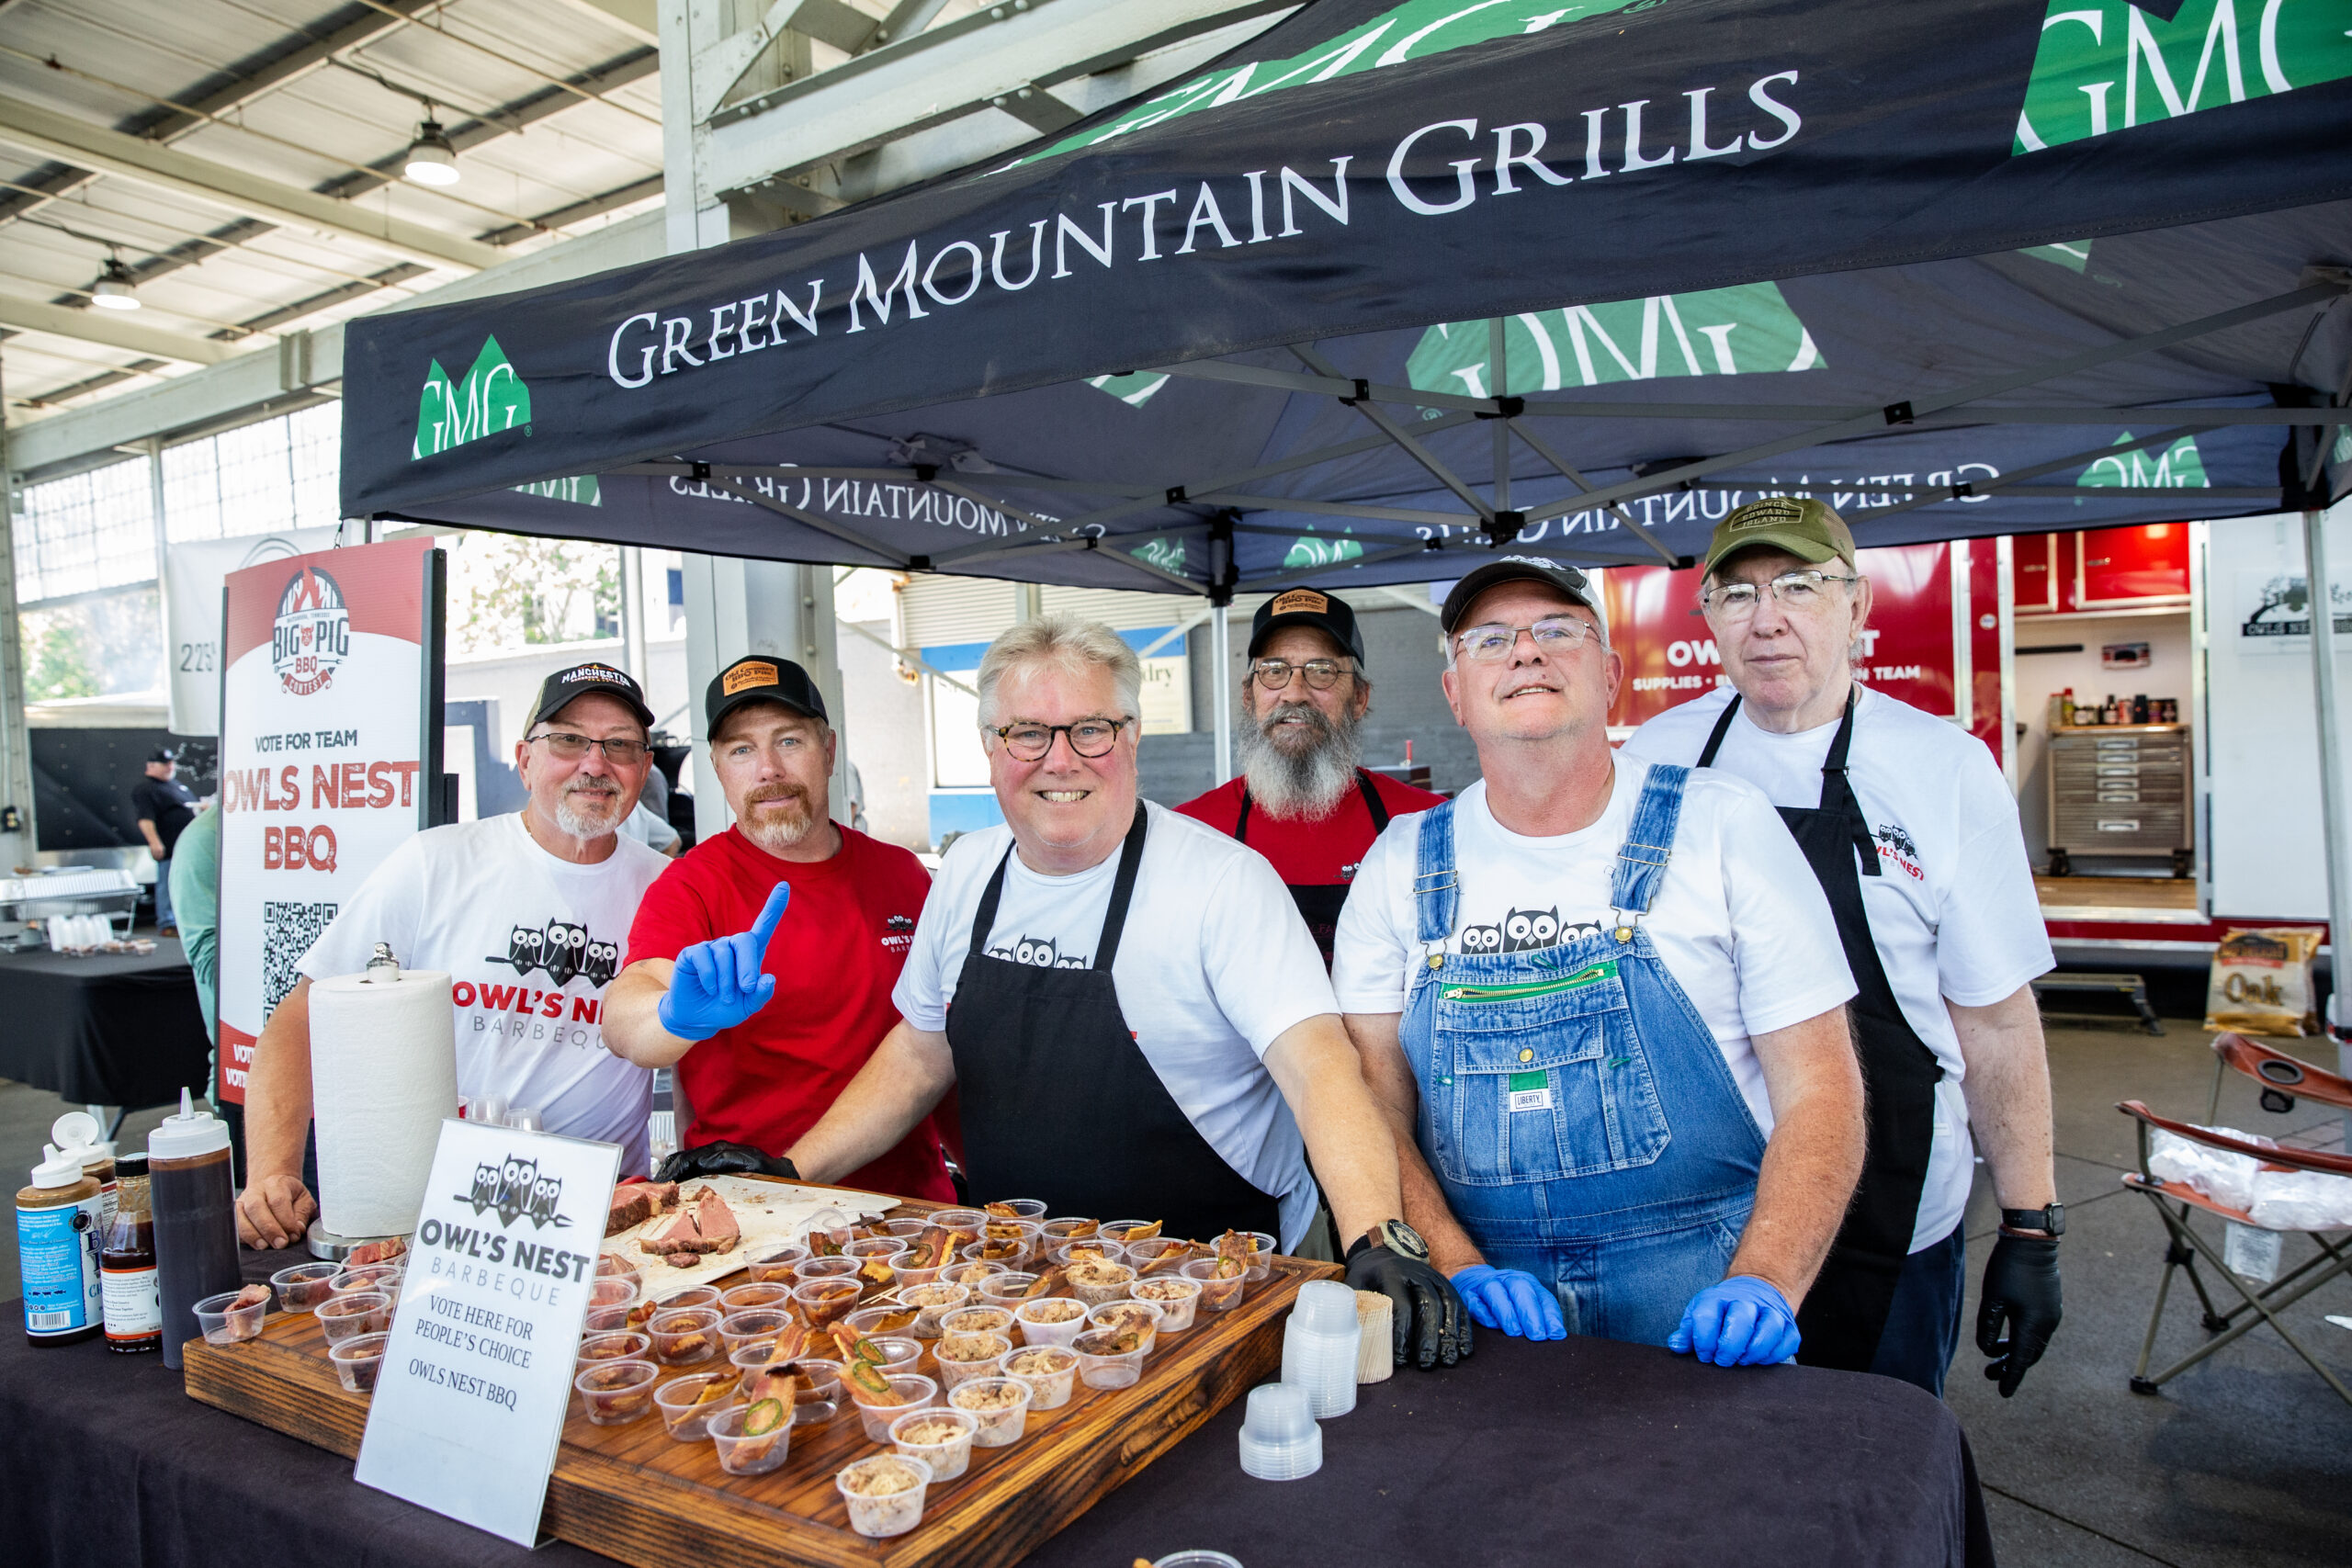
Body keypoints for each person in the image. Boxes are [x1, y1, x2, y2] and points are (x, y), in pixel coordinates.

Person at [771, 615, 1471, 1369]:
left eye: (1090, 730)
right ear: (991, 746)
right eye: (1028, 733)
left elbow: (1320, 1068)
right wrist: (786, 1174)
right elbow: (918, 1053)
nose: (1060, 759)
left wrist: (1376, 1237)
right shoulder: (968, 871)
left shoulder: (1221, 882)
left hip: (1211, 1297)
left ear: (1131, 736)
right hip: (1018, 1297)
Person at [1334, 555, 1867, 1367]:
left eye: (1558, 630)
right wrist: (1453, 1260)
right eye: (1489, 640)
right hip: (1483, 1325)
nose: (1525, 651)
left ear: (1610, 674)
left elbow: (1823, 1089)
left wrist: (1767, 1278)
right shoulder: (1398, 863)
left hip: (1703, 1311)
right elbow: (1371, 1104)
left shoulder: (1723, 826)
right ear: (1454, 693)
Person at [1621, 498, 2063, 1397]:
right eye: (1737, 594)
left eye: (1798, 586)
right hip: (1699, 1214)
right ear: (1707, 617)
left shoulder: (1943, 767)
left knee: (1868, 1462)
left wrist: (2030, 1224)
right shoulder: (1656, 762)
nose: (1767, 619)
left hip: (1890, 1211)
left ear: (1856, 604)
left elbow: (1996, 1021)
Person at [235, 661, 671, 1247]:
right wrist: (272, 1170)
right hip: (443, 1209)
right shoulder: (435, 863)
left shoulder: (669, 887)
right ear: (525, 760)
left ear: (644, 767)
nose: (595, 764)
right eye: (569, 740)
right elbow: (302, 1017)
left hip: (604, 1212)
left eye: (619, 745)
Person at [602, 656, 954, 1200]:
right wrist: (673, 1016)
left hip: (909, 1210)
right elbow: (624, 1019)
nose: (768, 769)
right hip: (749, 1210)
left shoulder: (903, 874)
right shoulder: (692, 885)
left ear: (828, 751)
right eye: (741, 750)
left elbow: (941, 1050)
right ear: (718, 769)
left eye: (789, 741)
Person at [1177, 587, 1444, 965]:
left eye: (1322, 671)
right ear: (1248, 697)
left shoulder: (1427, 824)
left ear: (1359, 698)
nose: (1294, 693)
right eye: (1274, 671)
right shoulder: (1192, 831)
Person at [132, 747, 198, 936]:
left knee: (185, 885)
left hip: (187, 846)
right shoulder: (146, 789)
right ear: (151, 766)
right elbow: (145, 818)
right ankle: (168, 922)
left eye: (171, 763)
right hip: (169, 846)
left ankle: (185, 921)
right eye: (165, 764)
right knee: (168, 882)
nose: (170, 767)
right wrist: (154, 842)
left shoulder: (176, 786)